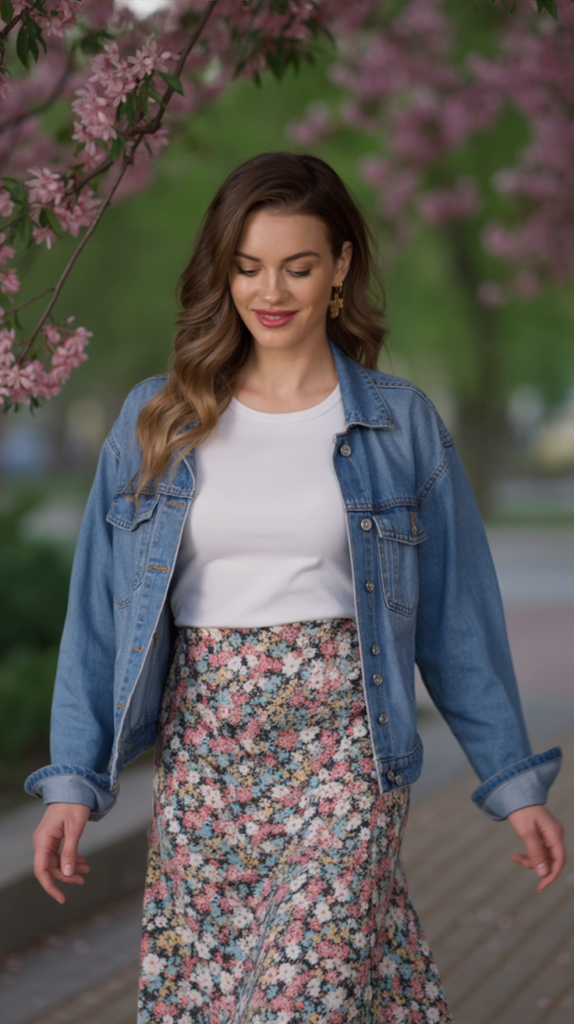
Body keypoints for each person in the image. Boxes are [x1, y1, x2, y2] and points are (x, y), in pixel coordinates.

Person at [28, 152, 565, 1024]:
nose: (269, 290)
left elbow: (459, 618)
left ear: (342, 267)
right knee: (230, 1000)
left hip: (346, 752)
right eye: (246, 266)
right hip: (207, 759)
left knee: (302, 994)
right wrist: (71, 783)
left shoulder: (399, 426)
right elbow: (101, 613)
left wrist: (512, 783)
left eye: (297, 265)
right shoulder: (155, 420)